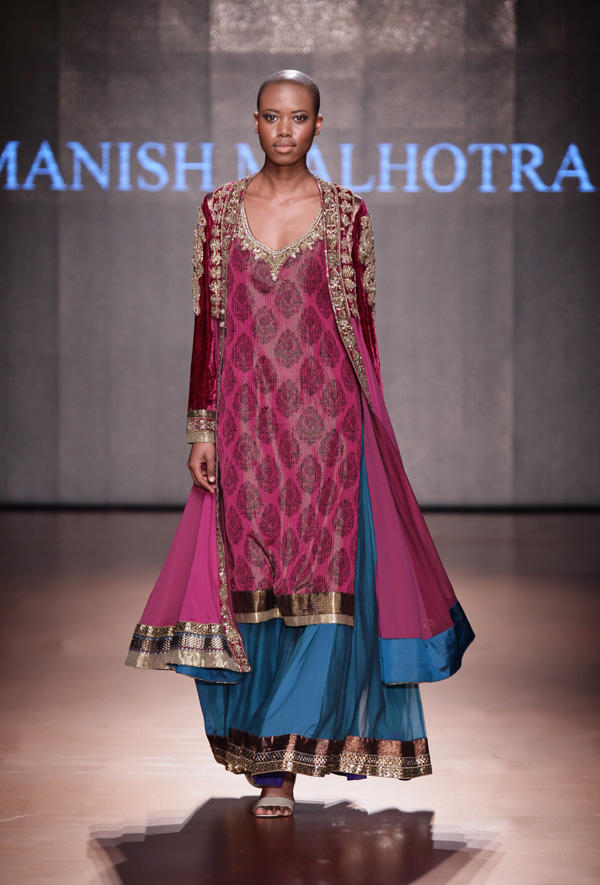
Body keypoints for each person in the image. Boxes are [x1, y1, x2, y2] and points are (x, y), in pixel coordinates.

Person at [125, 70, 474, 818]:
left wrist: (371, 427)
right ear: (254, 122)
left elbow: (364, 332)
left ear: (319, 125)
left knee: (324, 587)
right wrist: (202, 426)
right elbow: (206, 327)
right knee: (254, 587)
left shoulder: (347, 214)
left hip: (328, 427)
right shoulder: (217, 211)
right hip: (246, 425)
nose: (285, 130)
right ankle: (263, 742)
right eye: (272, 117)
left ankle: (281, 762)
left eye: (299, 118)